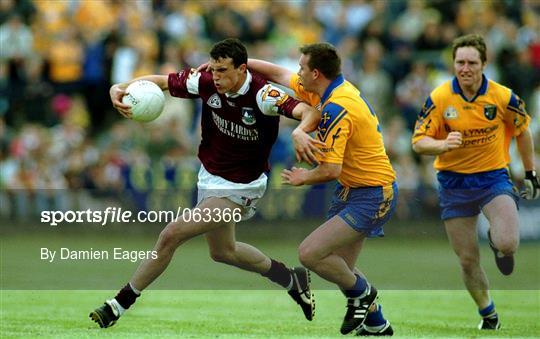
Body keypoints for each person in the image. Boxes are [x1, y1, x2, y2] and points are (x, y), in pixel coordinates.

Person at [89, 38, 321, 328]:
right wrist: (119, 88)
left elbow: (308, 111)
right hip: (210, 176)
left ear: (241, 69)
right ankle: (290, 278)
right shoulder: (206, 81)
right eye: (214, 69)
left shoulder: (264, 94)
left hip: (241, 188)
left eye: (223, 70)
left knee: (172, 234)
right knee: (223, 252)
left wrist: (300, 131)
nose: (217, 77)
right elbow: (160, 81)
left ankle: (119, 303)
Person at [248, 43, 397, 336]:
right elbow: (277, 73)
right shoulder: (326, 90)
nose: (297, 72)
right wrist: (241, 63)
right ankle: (376, 324)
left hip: (373, 192)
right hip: (353, 190)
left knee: (310, 254)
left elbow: (331, 170)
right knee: (341, 268)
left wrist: (304, 177)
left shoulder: (337, 107)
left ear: (316, 73)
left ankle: (365, 294)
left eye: (302, 67)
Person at [411, 34, 539, 330]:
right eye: (459, 62)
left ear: (484, 64)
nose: (465, 68)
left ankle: (499, 246)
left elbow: (523, 132)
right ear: (453, 64)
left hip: (493, 178)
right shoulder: (440, 98)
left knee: (508, 242)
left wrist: (530, 173)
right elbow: (418, 142)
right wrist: (441, 145)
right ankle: (487, 312)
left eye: (471, 62)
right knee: (467, 259)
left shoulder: (503, 97)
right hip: (453, 184)